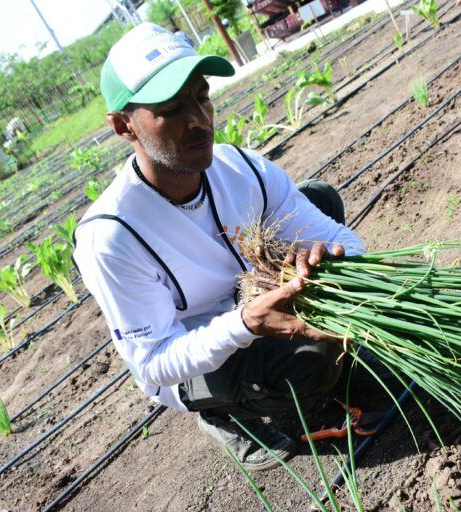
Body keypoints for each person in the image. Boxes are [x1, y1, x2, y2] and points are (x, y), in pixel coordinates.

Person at [73, 23, 365, 472]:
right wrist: (247, 323)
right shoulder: (112, 236)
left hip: (253, 295)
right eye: (171, 108)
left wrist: (331, 260)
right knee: (311, 362)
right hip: (195, 353)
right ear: (123, 125)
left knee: (318, 198)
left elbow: (345, 242)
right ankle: (225, 414)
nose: (198, 119)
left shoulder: (239, 166)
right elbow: (154, 363)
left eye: (201, 95)